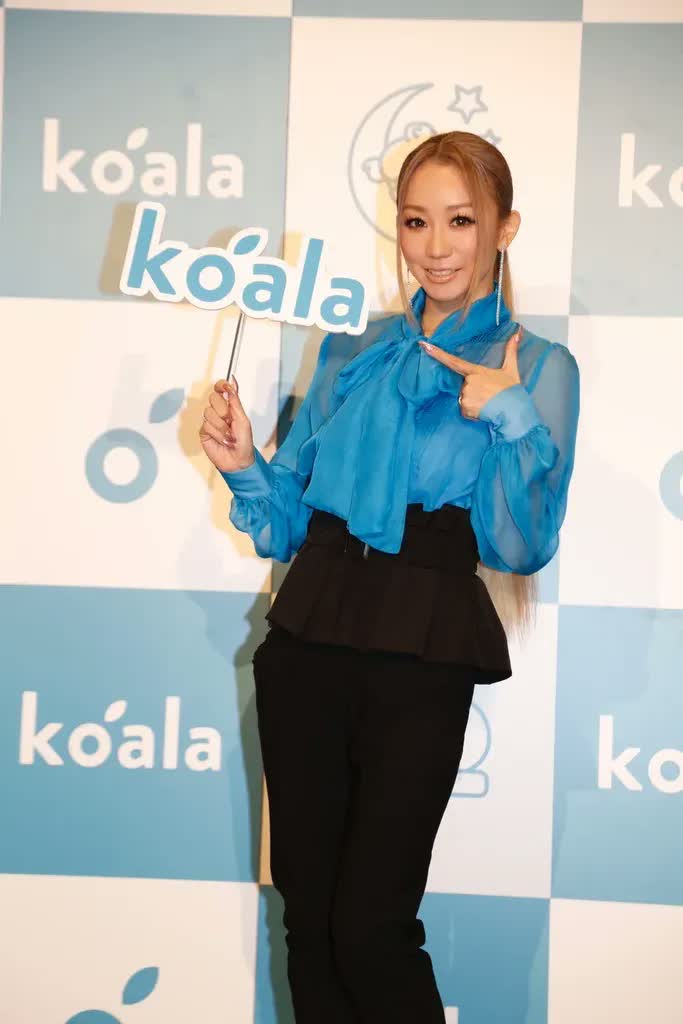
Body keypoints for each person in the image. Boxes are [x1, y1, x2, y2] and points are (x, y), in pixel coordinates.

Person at [199, 130, 580, 1023]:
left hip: (423, 644)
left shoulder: (537, 367)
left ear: (503, 228)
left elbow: (519, 547)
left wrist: (511, 416)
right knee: (307, 920)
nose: (435, 246)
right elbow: (292, 522)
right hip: (309, 637)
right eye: (416, 221)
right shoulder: (351, 350)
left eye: (460, 221)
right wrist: (244, 465)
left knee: (371, 928)